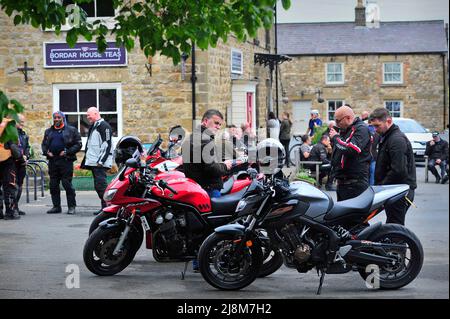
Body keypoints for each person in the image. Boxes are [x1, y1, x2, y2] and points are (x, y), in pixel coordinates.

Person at [181, 109, 237, 272]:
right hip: (208, 188)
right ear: (205, 122)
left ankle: (198, 262)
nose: (218, 126)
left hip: (197, 188)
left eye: (220, 124)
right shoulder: (204, 140)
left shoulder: (193, 137)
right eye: (216, 122)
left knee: (199, 228)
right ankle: (203, 261)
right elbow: (211, 169)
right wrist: (226, 166)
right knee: (211, 228)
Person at [369, 108, 417, 225]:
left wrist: (382, 186)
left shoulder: (396, 139)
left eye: (377, 126)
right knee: (393, 224)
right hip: (395, 190)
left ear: (388, 121)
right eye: (373, 126)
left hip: (399, 191)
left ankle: (401, 243)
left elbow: (398, 170)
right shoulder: (388, 136)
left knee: (395, 226)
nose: (375, 129)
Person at [42, 111, 82, 215]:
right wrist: (46, 152)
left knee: (66, 184)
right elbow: (44, 145)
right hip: (53, 161)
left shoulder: (71, 130)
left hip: (66, 161)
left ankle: (71, 206)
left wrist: (67, 152)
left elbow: (78, 144)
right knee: (53, 185)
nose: (56, 119)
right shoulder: (48, 131)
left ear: (63, 118)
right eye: (55, 117)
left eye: (58, 117)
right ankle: (56, 207)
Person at [328, 105, 372, 201]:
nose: (336, 124)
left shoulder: (361, 129)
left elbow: (351, 150)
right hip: (343, 182)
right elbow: (340, 150)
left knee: (353, 215)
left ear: (348, 118)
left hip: (355, 183)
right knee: (342, 215)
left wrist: (336, 138)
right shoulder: (345, 130)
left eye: (338, 121)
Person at [81, 107, 114, 215]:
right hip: (95, 162)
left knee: (101, 185)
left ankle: (109, 208)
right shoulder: (95, 126)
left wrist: (101, 161)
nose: (87, 117)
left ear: (96, 113)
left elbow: (107, 144)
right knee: (98, 186)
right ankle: (104, 208)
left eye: (89, 115)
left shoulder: (104, 126)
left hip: (100, 163)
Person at [0, 118, 19, 220]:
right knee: (10, 188)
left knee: (6, 188)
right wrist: (20, 157)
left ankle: (4, 212)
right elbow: (16, 152)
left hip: (7, 163)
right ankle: (10, 212)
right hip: (8, 164)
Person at [13, 114, 30, 215]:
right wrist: (20, 156)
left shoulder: (24, 134)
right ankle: (12, 208)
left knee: (19, 186)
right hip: (13, 163)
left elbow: (27, 147)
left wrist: (26, 157)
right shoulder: (10, 134)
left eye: (23, 121)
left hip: (22, 163)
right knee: (13, 187)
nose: (23, 124)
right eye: (21, 121)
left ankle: (16, 207)